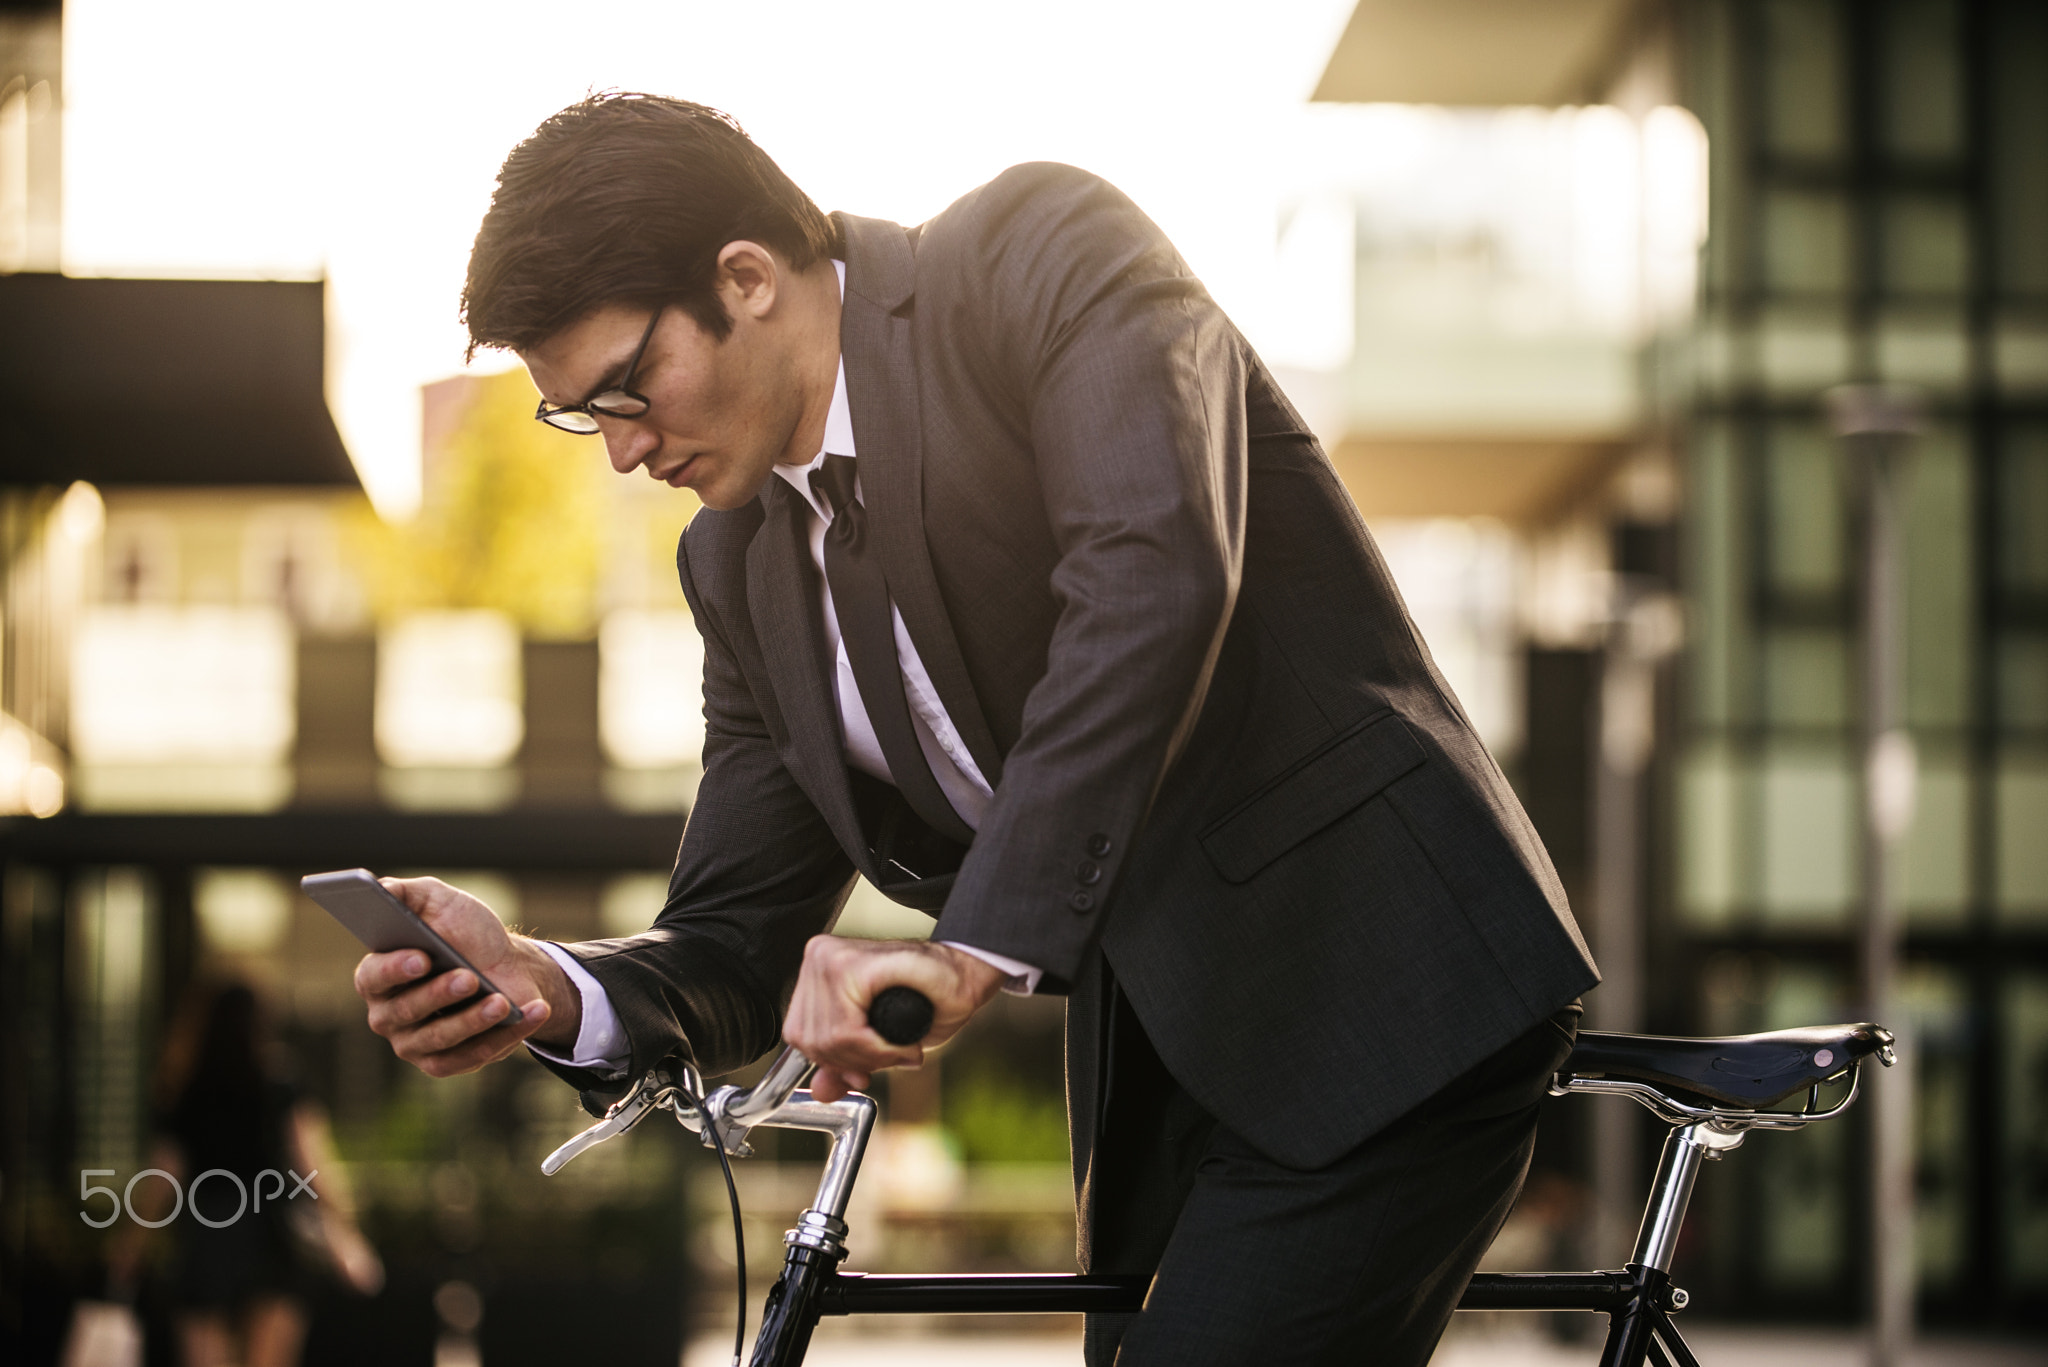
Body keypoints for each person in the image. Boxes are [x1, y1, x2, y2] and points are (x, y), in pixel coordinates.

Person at [352, 93, 1598, 1365]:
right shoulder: (735, 563)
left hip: (1384, 978)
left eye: (628, 387)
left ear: (746, 277)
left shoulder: (1038, 255)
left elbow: (1151, 572)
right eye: (583, 415)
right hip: (1169, 1059)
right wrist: (549, 983)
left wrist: (972, 949)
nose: (619, 451)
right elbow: (735, 932)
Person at [130, 980, 383, 1367]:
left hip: (205, 1234)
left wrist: (132, 1244)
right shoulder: (279, 1080)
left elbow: (164, 1176)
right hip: (271, 1234)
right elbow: (313, 1163)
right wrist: (344, 1226)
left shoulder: (185, 1086)